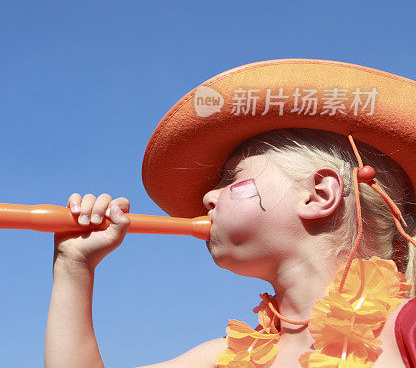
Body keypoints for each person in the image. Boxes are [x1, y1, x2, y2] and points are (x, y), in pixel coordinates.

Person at [44, 59, 416, 368]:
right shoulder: (221, 358)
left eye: (232, 179)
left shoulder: (406, 328)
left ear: (319, 195)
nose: (208, 196)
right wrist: (74, 269)